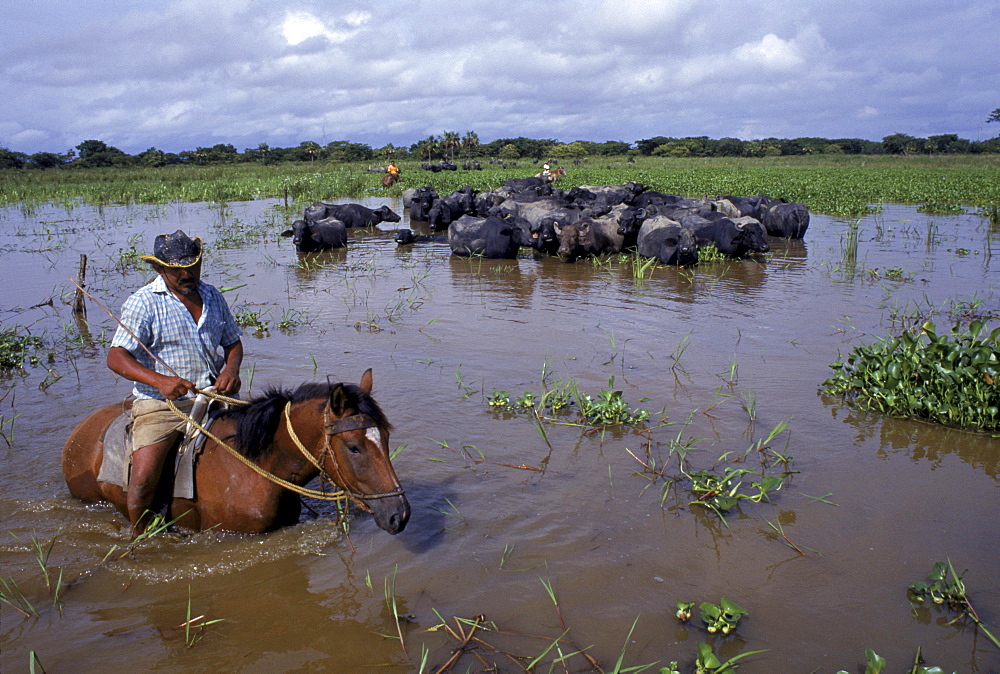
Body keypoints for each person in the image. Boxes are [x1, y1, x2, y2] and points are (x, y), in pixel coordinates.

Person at [107, 230, 243, 535]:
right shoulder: (144, 302)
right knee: (143, 476)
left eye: (193, 265)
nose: (187, 274)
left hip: (212, 398)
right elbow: (115, 357)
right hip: (162, 404)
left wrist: (230, 371)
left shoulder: (212, 296)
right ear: (159, 269)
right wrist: (160, 381)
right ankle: (140, 535)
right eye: (177, 269)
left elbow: (233, 344)